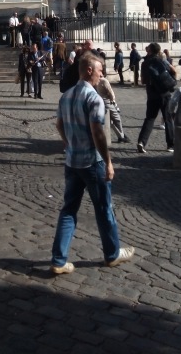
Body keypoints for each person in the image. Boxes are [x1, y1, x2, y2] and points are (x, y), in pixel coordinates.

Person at [50, 53, 134, 273]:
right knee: (104, 208)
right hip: (92, 162)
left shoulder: (66, 95)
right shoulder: (93, 98)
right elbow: (98, 133)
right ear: (89, 70)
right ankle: (112, 254)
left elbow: (59, 124)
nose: (102, 74)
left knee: (69, 209)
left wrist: (68, 143)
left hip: (72, 161)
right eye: (99, 70)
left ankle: (58, 260)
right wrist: (108, 161)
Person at [136, 43, 176, 154]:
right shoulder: (161, 60)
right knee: (168, 119)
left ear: (149, 50)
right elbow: (173, 71)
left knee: (149, 118)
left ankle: (142, 142)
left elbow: (143, 81)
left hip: (152, 94)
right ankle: (170, 144)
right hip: (164, 93)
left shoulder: (144, 63)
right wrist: (171, 82)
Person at [95, 68, 130, 143]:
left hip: (100, 101)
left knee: (110, 121)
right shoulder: (104, 81)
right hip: (107, 102)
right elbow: (111, 93)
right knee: (117, 118)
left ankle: (121, 135)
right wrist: (113, 101)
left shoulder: (96, 80)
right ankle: (121, 136)